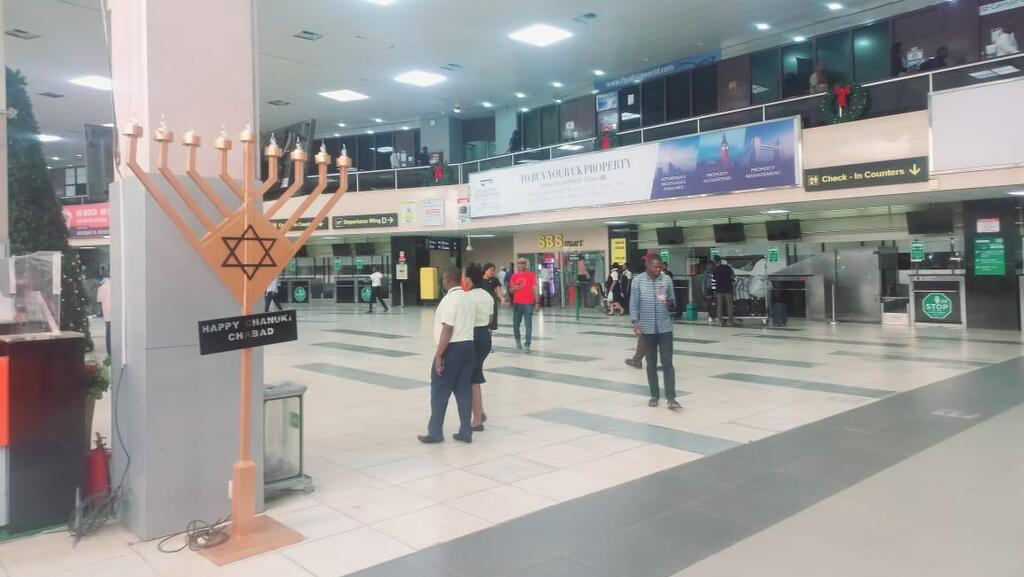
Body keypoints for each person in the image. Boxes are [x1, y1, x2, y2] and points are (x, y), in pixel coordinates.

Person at [418, 267, 476, 444]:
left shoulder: (450, 300)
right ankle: (466, 431)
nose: (442, 282)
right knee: (464, 390)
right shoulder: (469, 298)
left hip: (452, 349)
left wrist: (438, 355)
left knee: (439, 390)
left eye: (443, 278)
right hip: (468, 347)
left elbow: (448, 328)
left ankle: (435, 432)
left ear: (449, 279)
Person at [630, 254, 680, 411]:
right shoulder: (637, 281)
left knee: (667, 363)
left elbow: (673, 300)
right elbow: (633, 302)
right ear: (648, 266)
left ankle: (671, 398)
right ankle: (654, 396)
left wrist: (669, 303)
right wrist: (635, 322)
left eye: (660, 267)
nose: (658, 270)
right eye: (655, 267)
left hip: (665, 327)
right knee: (650, 364)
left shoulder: (666, 280)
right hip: (647, 329)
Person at [465, 264, 493, 431]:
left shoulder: (467, 297)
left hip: (472, 336)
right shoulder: (487, 296)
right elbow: (490, 319)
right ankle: (480, 412)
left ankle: (476, 420)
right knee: (475, 374)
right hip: (485, 336)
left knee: (473, 379)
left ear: (469, 278)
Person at [508, 258, 537, 353]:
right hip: (517, 303)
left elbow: (534, 288)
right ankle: (518, 340)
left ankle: (527, 344)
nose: (521, 265)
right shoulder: (514, 276)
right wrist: (515, 288)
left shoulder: (531, 275)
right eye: (519, 263)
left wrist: (537, 301)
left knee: (528, 325)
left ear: (526, 264)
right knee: (516, 324)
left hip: (529, 303)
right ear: (517, 265)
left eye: (523, 263)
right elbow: (511, 290)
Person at [711, 255, 736, 327]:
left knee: (719, 306)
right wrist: (731, 281)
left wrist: (714, 290)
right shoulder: (727, 267)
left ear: (715, 261)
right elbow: (733, 276)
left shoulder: (714, 269)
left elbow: (713, 280)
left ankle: (720, 322)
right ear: (720, 260)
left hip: (719, 290)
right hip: (728, 289)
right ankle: (730, 321)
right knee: (729, 305)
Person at [481, 263, 504, 332]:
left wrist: (501, 298)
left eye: (493, 270)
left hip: (492, 303)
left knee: (491, 321)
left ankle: (489, 336)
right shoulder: (479, 280)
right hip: (481, 303)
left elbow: (498, 290)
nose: (492, 272)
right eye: (490, 270)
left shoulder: (495, 279)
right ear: (485, 270)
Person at [96, 274, 112, 356]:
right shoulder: (115, 285)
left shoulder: (100, 288)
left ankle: (109, 351)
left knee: (108, 332)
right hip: (116, 312)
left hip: (107, 313)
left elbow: (99, 301)